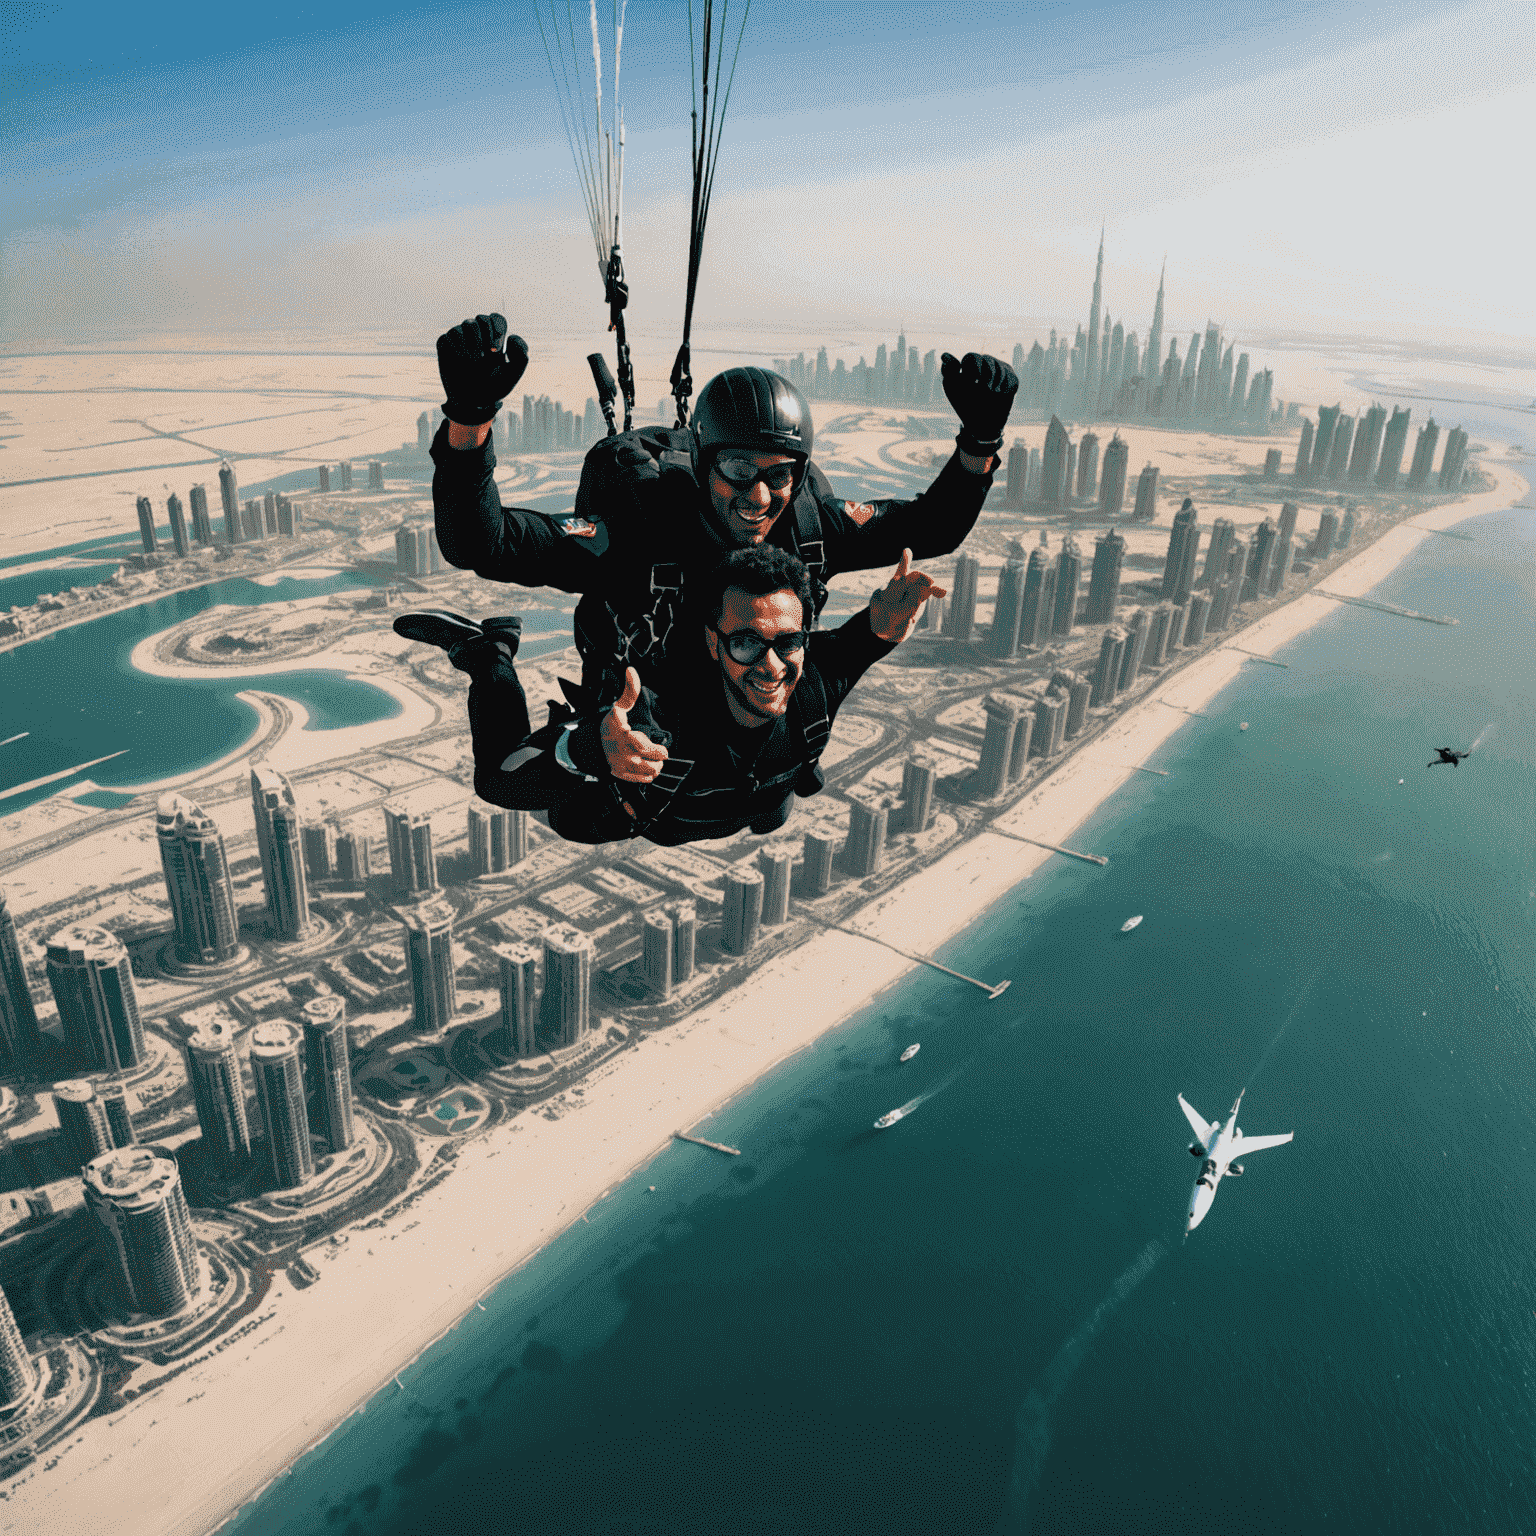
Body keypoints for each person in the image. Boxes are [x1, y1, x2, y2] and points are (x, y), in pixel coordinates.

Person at [421, 313, 1015, 716]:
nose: (758, 496)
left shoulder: (812, 532)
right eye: (737, 470)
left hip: (739, 712)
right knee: (561, 804)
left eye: (779, 473)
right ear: (702, 465)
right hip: (648, 711)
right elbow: (484, 544)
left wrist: (979, 446)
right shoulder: (641, 533)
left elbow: (932, 529)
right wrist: (470, 424)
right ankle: (491, 659)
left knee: (770, 802)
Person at [398, 545, 943, 847]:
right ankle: (489, 654)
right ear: (712, 640)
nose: (772, 665)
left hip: (745, 808)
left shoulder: (813, 685)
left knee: (773, 812)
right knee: (496, 781)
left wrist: (888, 622)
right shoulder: (663, 719)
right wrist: (595, 747)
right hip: (631, 815)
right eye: (746, 642)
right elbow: (620, 732)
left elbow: (861, 641)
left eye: (788, 642)